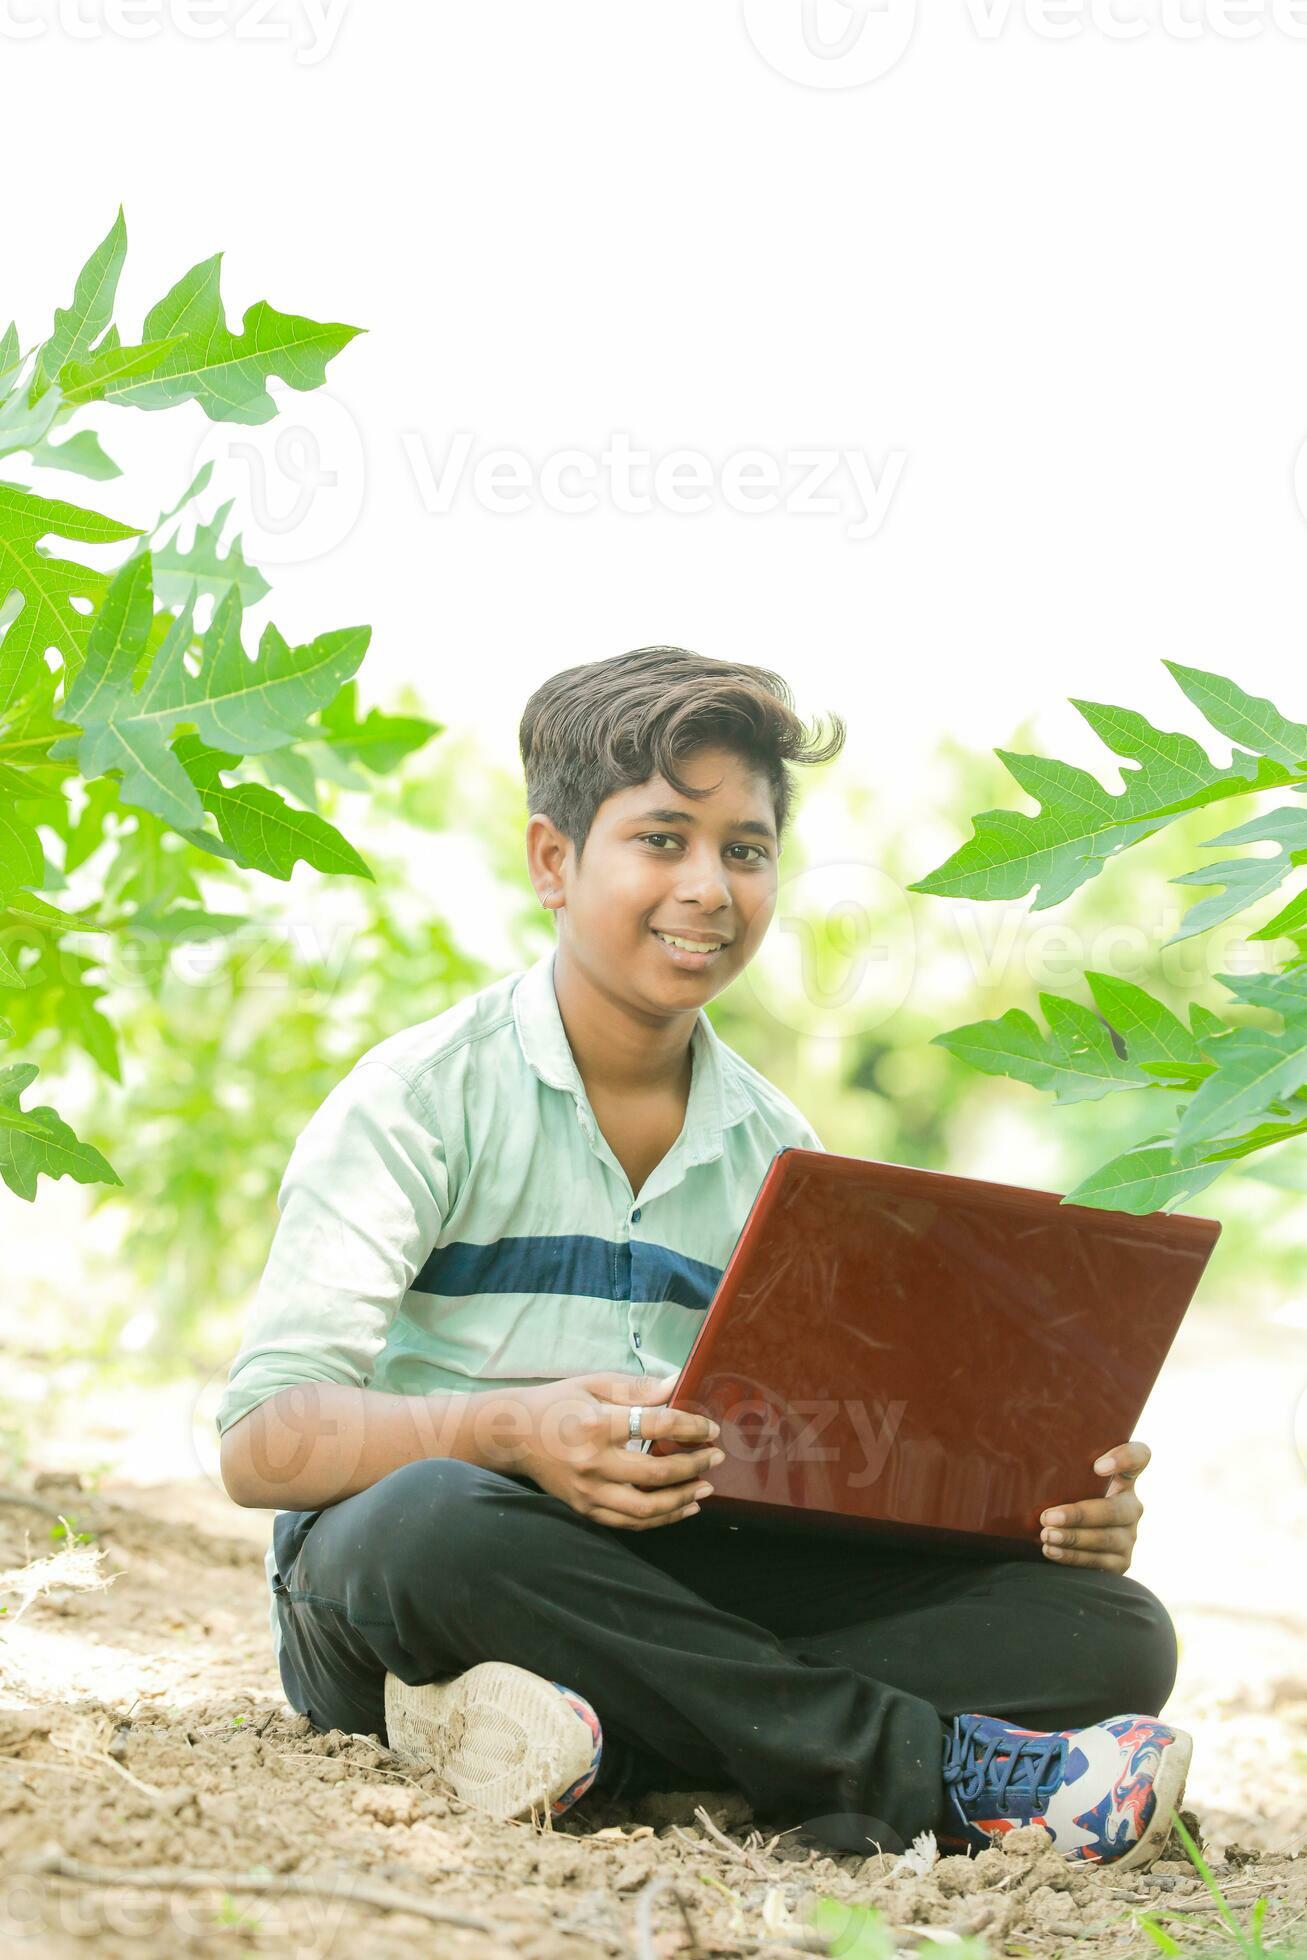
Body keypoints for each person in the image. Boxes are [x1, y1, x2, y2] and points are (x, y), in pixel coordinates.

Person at [217, 645, 1188, 1867]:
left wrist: (1033, 1504)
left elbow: (834, 1455)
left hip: (668, 1582)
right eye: (662, 839)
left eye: (743, 849)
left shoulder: (778, 1148)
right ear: (554, 861)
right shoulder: (416, 1100)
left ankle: (595, 1752)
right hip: (437, 1570)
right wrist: (509, 1435)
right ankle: (926, 1769)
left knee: (1107, 1630)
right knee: (431, 1519)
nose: (708, 887)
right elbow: (261, 1443)